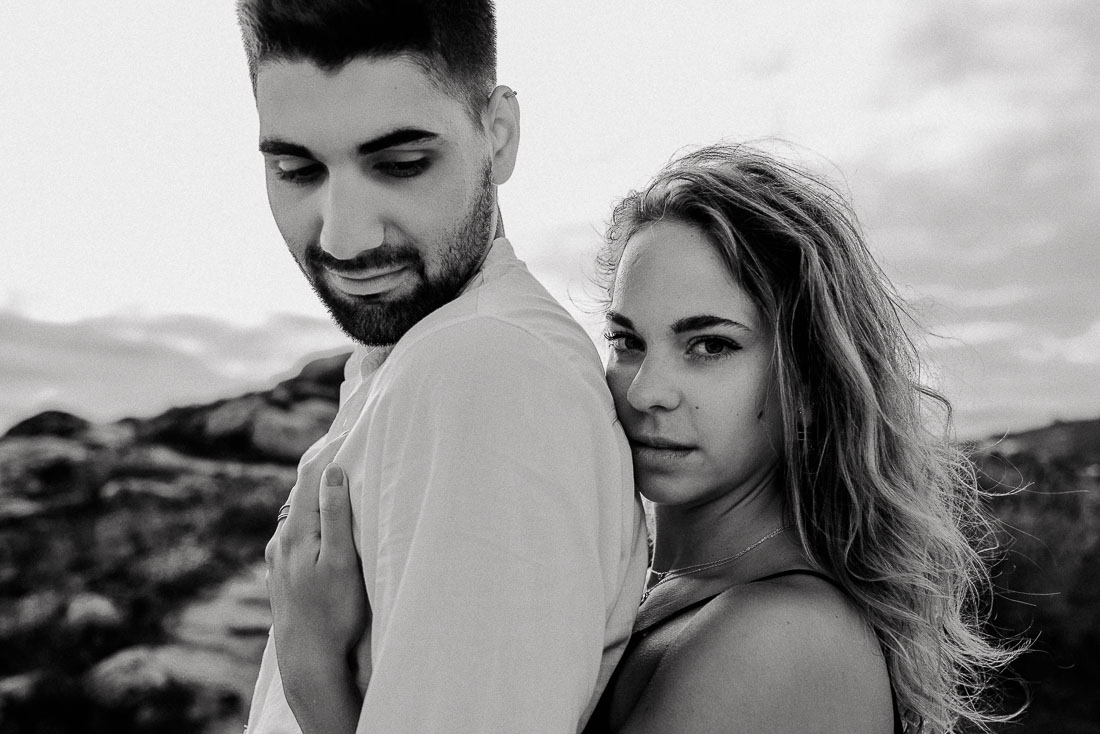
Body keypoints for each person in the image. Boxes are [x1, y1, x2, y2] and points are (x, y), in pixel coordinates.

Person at [283, 143, 1021, 733]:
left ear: (809, 374)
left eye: (709, 345)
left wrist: (319, 677)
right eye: (628, 341)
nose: (646, 390)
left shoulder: (784, 641)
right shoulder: (670, 592)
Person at [237, 1, 649, 732]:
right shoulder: (418, 356)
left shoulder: (487, 373)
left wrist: (312, 673)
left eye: (400, 164)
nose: (344, 236)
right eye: (296, 169)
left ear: (499, 132)